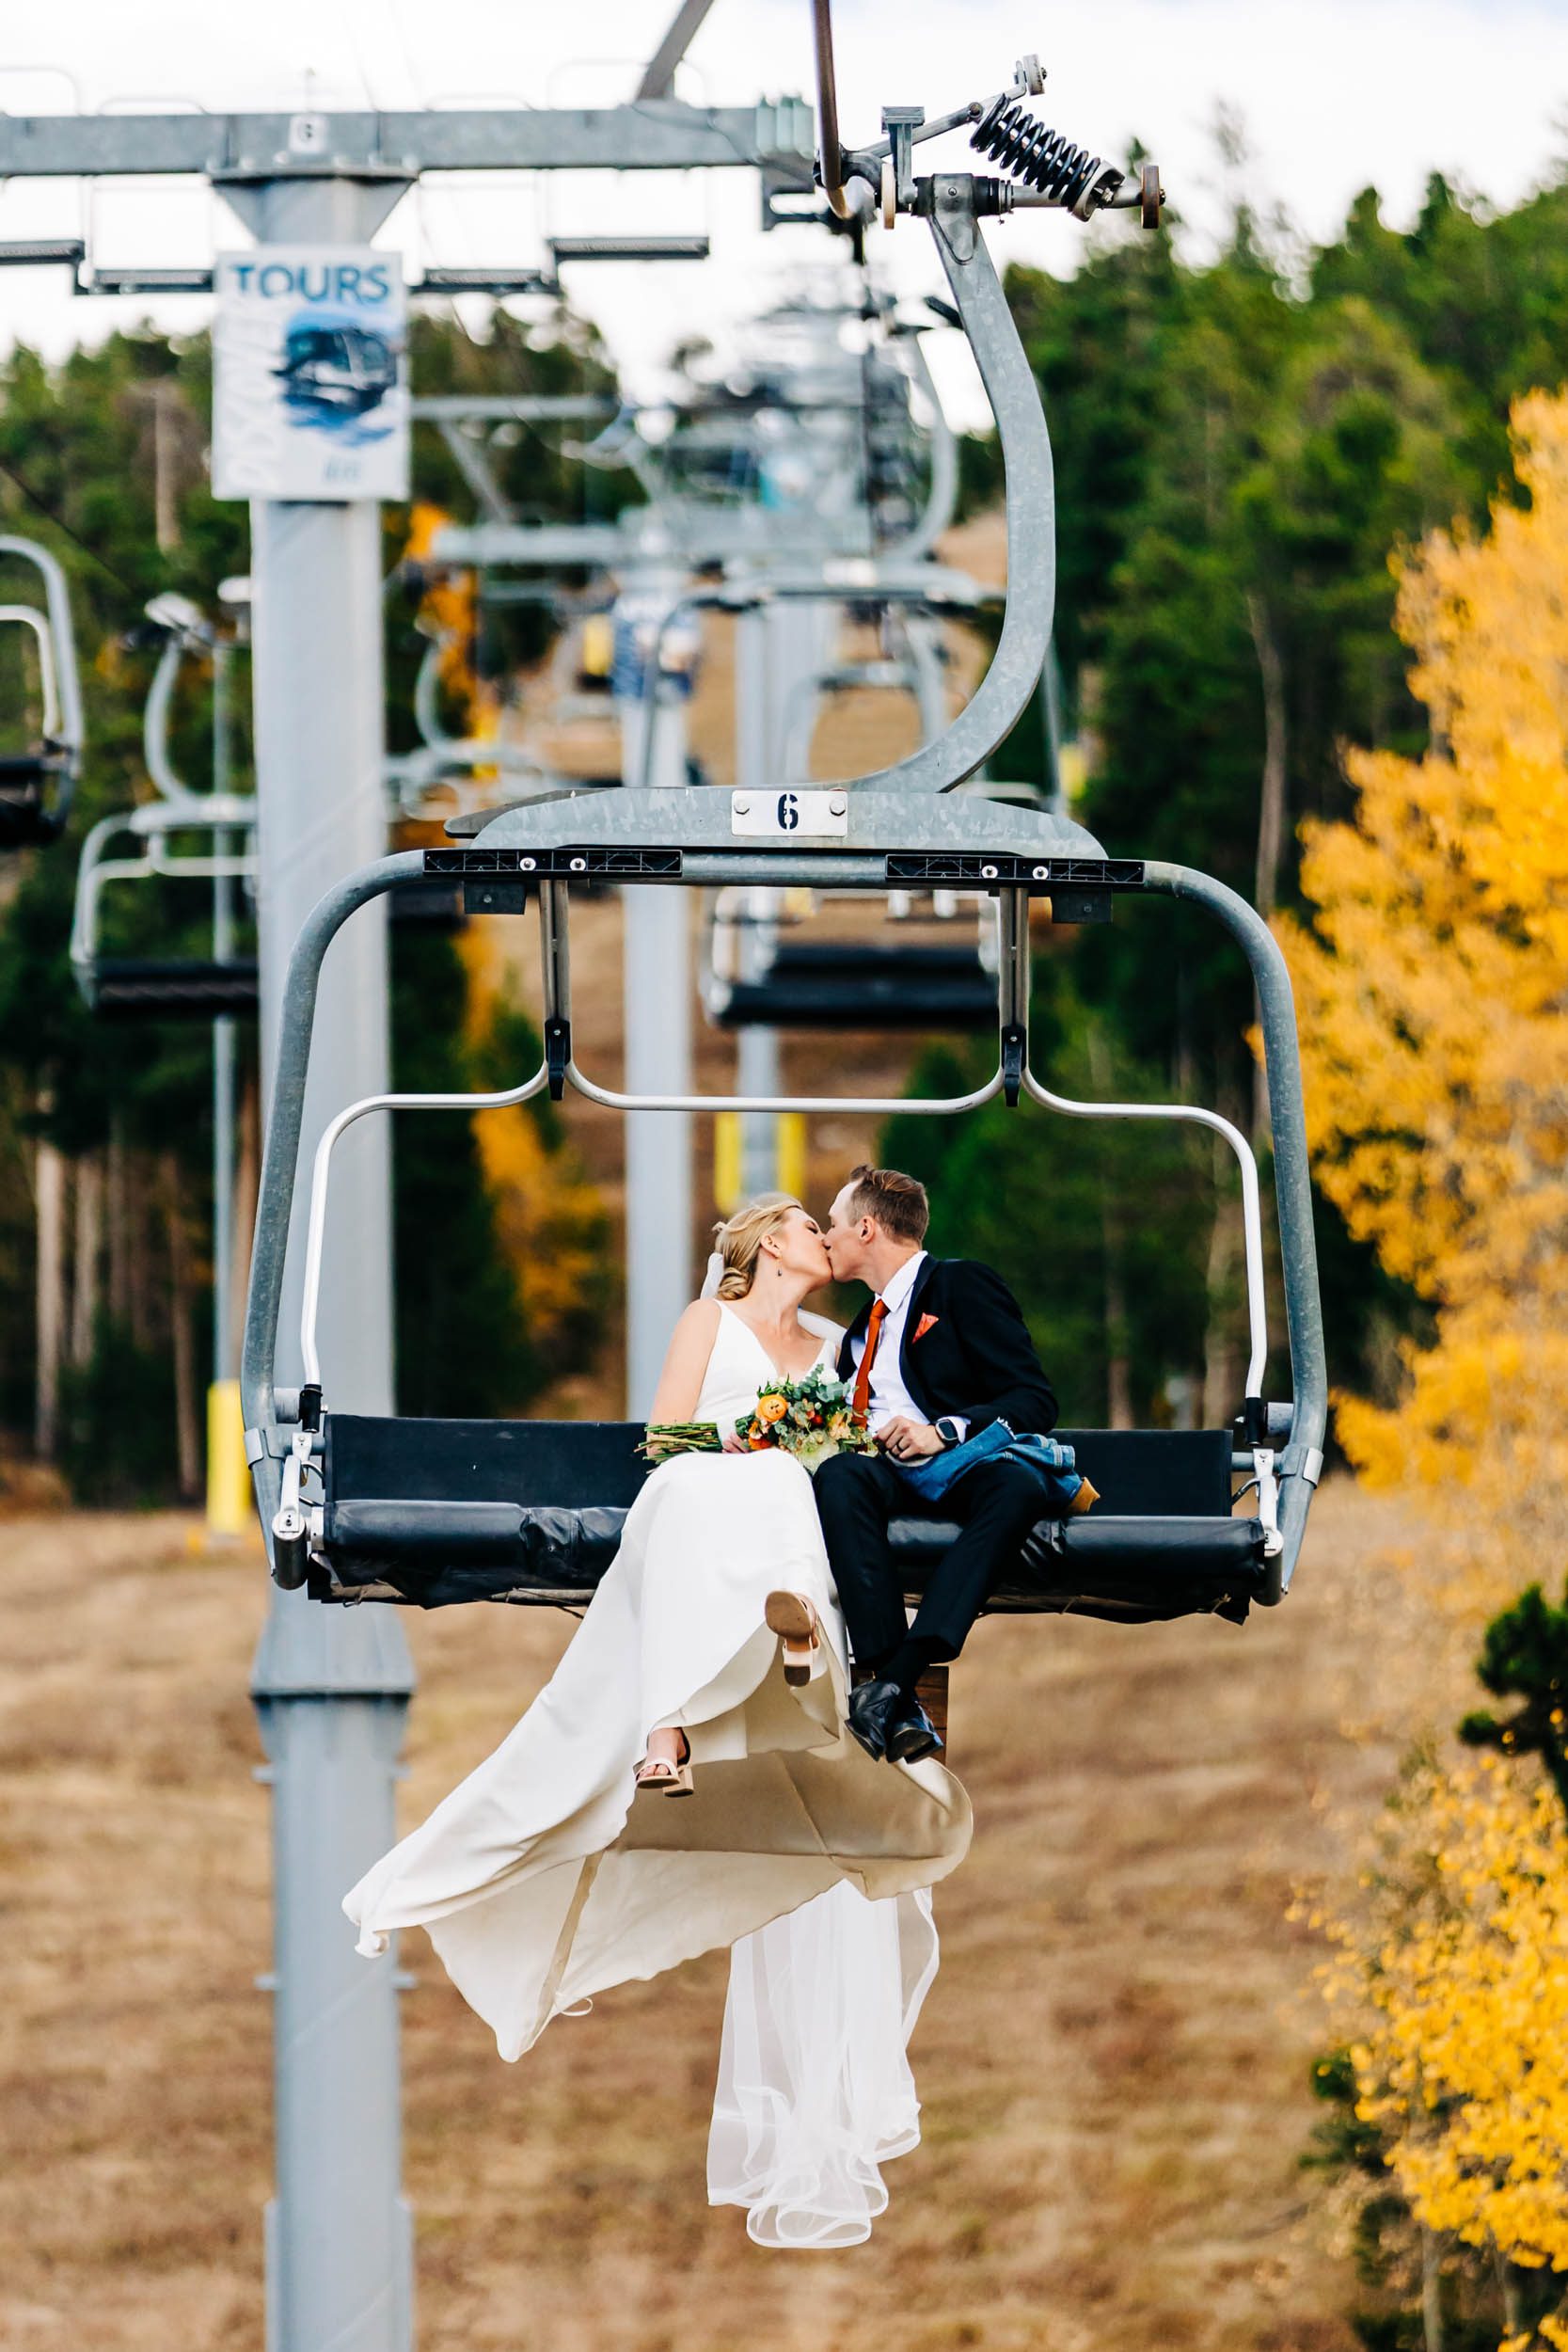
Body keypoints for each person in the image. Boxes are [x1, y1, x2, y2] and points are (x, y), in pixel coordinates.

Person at [342, 1192, 970, 2241]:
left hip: (784, 1511)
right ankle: (670, 1723)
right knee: (721, 1489)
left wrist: (813, 1441)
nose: (823, 1238)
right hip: (705, 1499)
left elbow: (858, 1436)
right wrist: (752, 1437)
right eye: (809, 1226)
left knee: (797, 1490)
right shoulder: (707, 1322)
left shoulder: (834, 1344)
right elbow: (665, 1439)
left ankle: (797, 1661)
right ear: (770, 1243)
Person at [817, 1163, 1059, 1766]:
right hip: (881, 1470)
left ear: (866, 1229)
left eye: (832, 1224)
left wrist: (941, 1432)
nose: (826, 1237)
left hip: (958, 1466)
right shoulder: (858, 1331)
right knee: (839, 1476)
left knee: (1018, 1488)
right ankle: (892, 1694)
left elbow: (1034, 1399)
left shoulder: (959, 1286)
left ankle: (898, 1677)